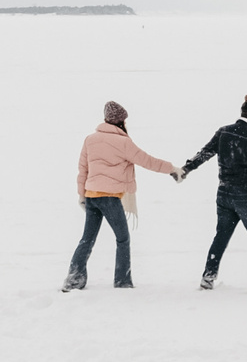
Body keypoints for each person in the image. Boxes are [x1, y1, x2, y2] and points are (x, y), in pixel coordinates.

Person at [64, 100, 181, 291]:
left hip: (92, 196)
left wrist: (81, 195)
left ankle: (74, 279)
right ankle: (122, 281)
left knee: (87, 239)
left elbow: (82, 169)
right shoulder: (123, 142)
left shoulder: (90, 139)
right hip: (110, 198)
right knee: (123, 239)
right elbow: (147, 161)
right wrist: (172, 169)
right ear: (120, 122)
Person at [182, 94, 247, 293]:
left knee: (221, 236)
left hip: (224, 195)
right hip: (246, 198)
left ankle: (208, 278)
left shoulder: (224, 132)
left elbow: (205, 153)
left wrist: (187, 168)